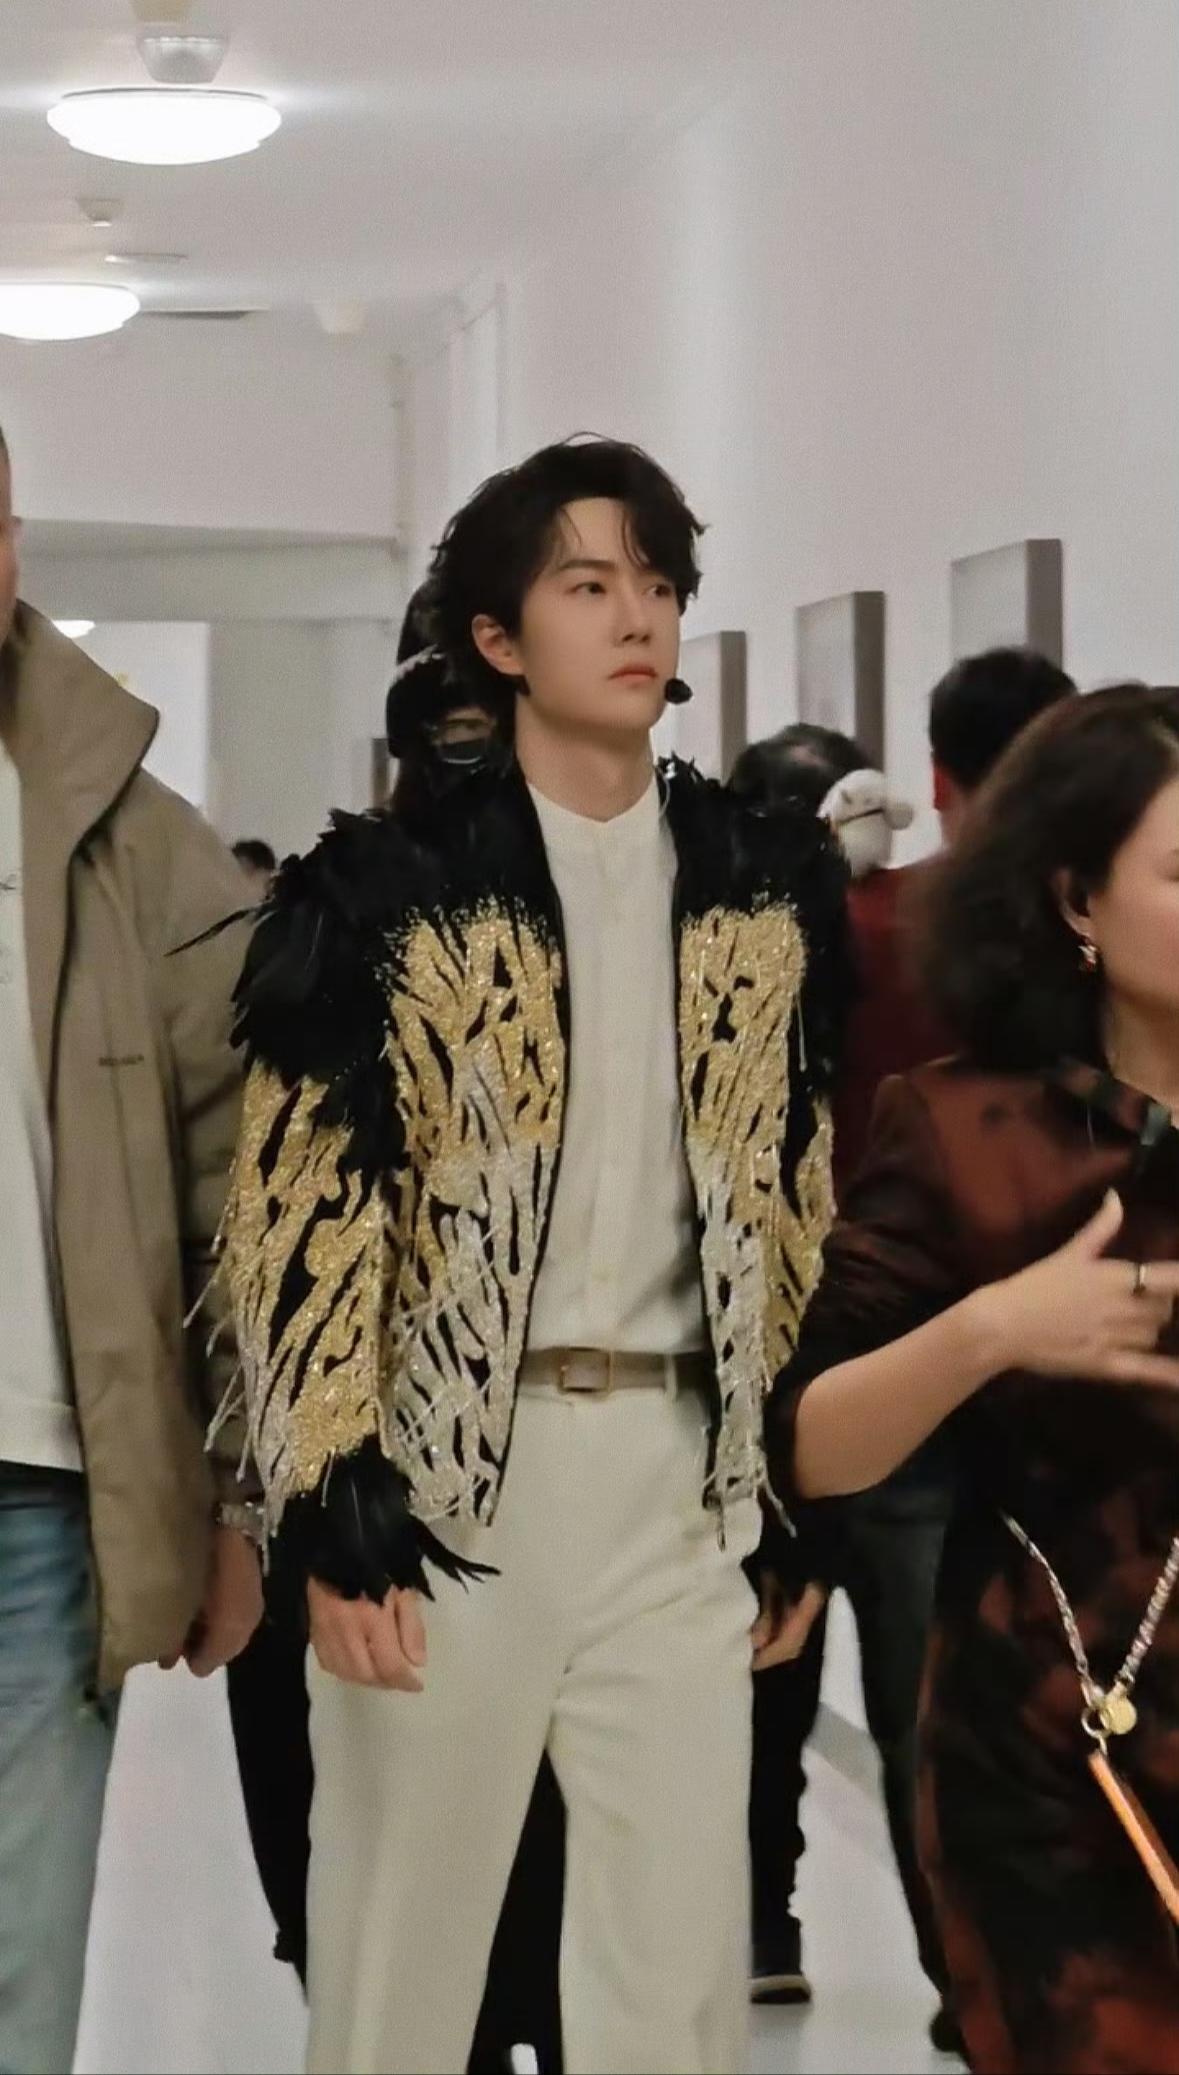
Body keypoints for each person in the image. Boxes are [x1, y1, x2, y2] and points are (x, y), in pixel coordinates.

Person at [220, 435, 849, 2075]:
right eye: (587, 585)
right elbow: (303, 1217)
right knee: (400, 1964)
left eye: (657, 584)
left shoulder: (761, 891)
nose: (636, 617)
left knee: (675, 1979)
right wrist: (332, 1501)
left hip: (678, 1476)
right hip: (450, 1486)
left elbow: (796, 1197)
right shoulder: (387, 895)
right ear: (498, 638)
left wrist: (790, 1487)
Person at [770, 684, 1179, 2074]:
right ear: (1076, 899)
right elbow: (810, 1441)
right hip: (1054, 1744)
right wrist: (992, 1329)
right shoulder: (962, 1127)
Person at [223, 589, 565, 2074]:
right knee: (387, 1924)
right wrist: (321, 1498)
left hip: (576, 1486)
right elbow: (295, 1234)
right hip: (363, 1479)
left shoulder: (652, 911)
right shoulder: (346, 913)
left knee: (549, 1923)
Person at [734, 662, 1077, 2049]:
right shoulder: (1055, 956)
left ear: (936, 779)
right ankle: (970, 1979)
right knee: (946, 1694)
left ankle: (779, 1926)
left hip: (845, 1334)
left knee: (813, 1674)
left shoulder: (863, 930)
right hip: (1000, 1364)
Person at [0, 421, 262, 2075]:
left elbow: (242, 1190)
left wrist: (231, 1498)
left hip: (38, 1501)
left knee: (17, 1980)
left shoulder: (131, 835)